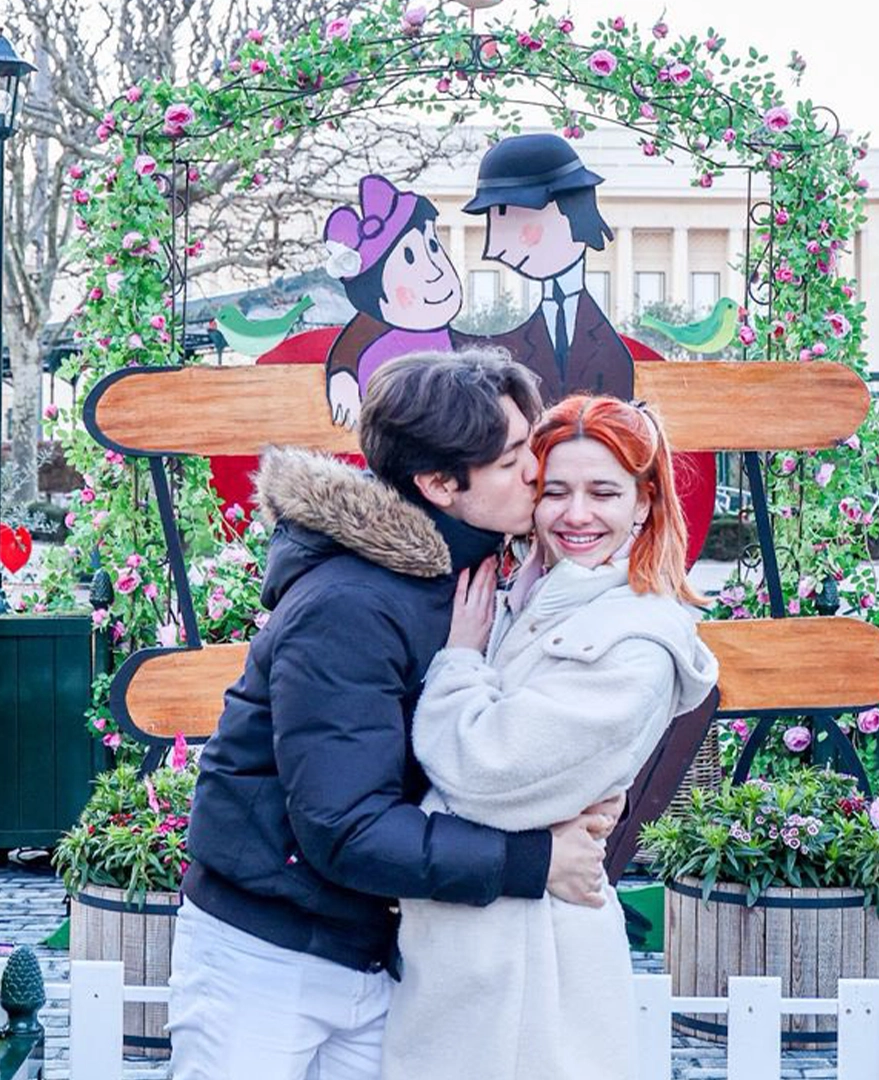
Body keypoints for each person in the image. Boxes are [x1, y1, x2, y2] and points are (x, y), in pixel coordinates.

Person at [169, 351, 614, 1080]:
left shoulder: (469, 577)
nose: (535, 473)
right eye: (511, 462)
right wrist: (534, 862)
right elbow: (346, 826)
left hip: (376, 949)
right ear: (439, 484)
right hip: (268, 955)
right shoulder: (350, 606)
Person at [381, 394, 720, 1080]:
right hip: (471, 951)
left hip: (532, 966)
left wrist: (459, 660)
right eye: (555, 491)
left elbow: (486, 772)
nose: (575, 514)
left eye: (604, 493)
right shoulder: (532, 596)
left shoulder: (636, 642)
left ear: (645, 502)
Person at [461, 132, 636, 403]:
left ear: (570, 209)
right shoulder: (510, 340)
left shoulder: (610, 349)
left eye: (515, 221)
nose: (496, 248)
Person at [322, 174, 464, 427]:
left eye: (433, 247)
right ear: (376, 296)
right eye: (409, 258)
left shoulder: (455, 344)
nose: (435, 271)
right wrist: (342, 376)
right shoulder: (372, 341)